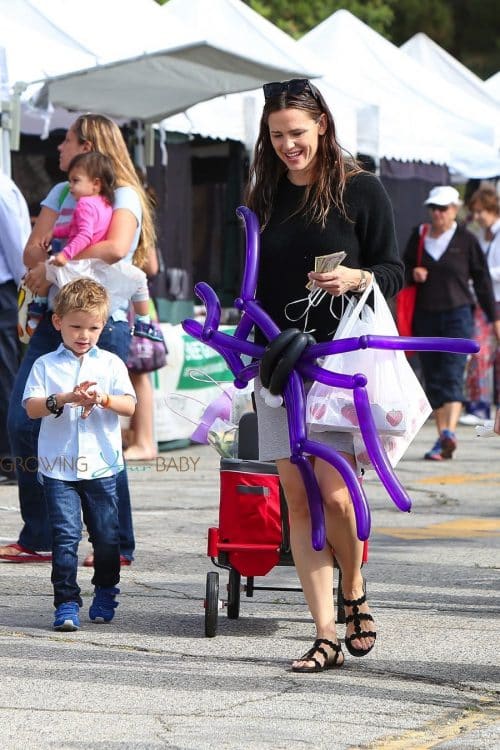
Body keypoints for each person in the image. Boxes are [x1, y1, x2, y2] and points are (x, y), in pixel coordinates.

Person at [245, 78, 404, 672]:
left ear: (323, 127)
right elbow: (253, 278)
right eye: (278, 135)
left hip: (337, 365)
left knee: (335, 494)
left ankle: (355, 586)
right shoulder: (265, 196)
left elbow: (394, 267)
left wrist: (359, 278)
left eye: (298, 133)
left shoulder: (362, 190)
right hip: (276, 365)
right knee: (297, 498)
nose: (289, 145)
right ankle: (324, 634)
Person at [0, 113, 156, 564]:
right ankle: (41, 535)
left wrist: (57, 261)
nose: (59, 148)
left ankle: (115, 541)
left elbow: (115, 245)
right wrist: (44, 257)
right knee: (22, 421)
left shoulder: (124, 193)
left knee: (101, 430)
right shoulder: (60, 190)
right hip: (56, 319)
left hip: (104, 322)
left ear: (88, 144)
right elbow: (32, 246)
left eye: (66, 140)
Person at [23, 279, 136, 630]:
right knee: (65, 537)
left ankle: (106, 588)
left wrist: (102, 399)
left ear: (104, 326)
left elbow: (130, 406)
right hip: (59, 468)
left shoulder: (112, 364)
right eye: (75, 326)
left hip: (102, 467)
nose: (84, 335)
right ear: (57, 322)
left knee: (105, 536)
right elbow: (32, 408)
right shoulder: (44, 365)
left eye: (93, 327)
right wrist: (66, 399)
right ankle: (66, 602)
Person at [403, 185, 500, 460]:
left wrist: (494, 319)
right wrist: (413, 273)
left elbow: (482, 283)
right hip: (426, 315)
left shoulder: (467, 241)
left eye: (443, 208)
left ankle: (449, 433)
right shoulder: (419, 236)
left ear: (455, 210)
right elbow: (401, 269)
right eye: (433, 208)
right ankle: (443, 436)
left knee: (453, 372)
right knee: (433, 375)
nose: (437, 213)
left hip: (458, 314)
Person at [26, 152, 155, 341]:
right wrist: (55, 232)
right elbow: (73, 227)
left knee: (49, 270)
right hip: (102, 270)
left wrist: (66, 255)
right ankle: (144, 322)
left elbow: (84, 235)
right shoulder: (106, 202)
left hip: (81, 265)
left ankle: (38, 306)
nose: (71, 186)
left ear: (96, 183)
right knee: (139, 280)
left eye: (76, 181)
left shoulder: (85, 203)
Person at [0, 173, 31, 484]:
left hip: (4, 292)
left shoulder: (2, 192)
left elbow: (18, 252)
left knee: (4, 374)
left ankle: (9, 458)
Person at [460, 187, 500, 425]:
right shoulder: (486, 235)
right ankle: (481, 406)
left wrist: (479, 275)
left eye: (480, 212)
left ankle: (483, 407)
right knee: (481, 355)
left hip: (494, 302)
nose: (477, 217)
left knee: (483, 354)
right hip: (486, 300)